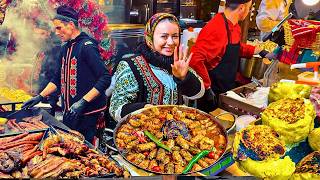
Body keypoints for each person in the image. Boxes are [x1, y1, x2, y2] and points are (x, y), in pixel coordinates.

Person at [22, 5, 112, 143]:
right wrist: (40, 97)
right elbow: (57, 79)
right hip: (70, 111)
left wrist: (83, 101)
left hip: (87, 114)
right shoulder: (66, 48)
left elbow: (105, 78)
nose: (56, 33)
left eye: (59, 28)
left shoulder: (87, 47)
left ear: (71, 25)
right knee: (69, 147)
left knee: (84, 149)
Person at [109, 13, 205, 122]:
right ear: (150, 38)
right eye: (164, 36)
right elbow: (115, 109)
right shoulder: (130, 66)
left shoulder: (178, 62)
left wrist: (184, 77)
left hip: (177, 134)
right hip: (141, 135)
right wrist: (142, 109)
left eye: (175, 36)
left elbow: (199, 93)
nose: (170, 42)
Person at [189, 0, 275, 113]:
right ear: (242, 8)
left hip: (227, 88)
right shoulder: (215, 28)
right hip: (213, 92)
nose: (249, 11)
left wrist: (259, 50)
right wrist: (207, 88)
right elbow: (195, 59)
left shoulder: (235, 27)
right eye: (250, 8)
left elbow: (234, 47)